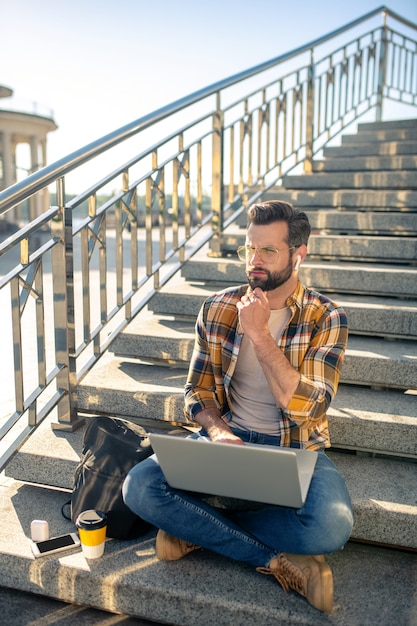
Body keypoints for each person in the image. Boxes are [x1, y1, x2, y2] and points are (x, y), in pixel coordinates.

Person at [123, 200, 353, 613]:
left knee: (331, 525)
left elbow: (309, 409)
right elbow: (197, 393)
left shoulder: (327, 317)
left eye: (268, 250)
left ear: (299, 254)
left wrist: (260, 335)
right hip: (229, 439)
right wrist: (218, 431)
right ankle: (275, 560)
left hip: (296, 446)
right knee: (138, 486)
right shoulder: (216, 308)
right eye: (249, 249)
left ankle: (196, 529)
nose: (254, 261)